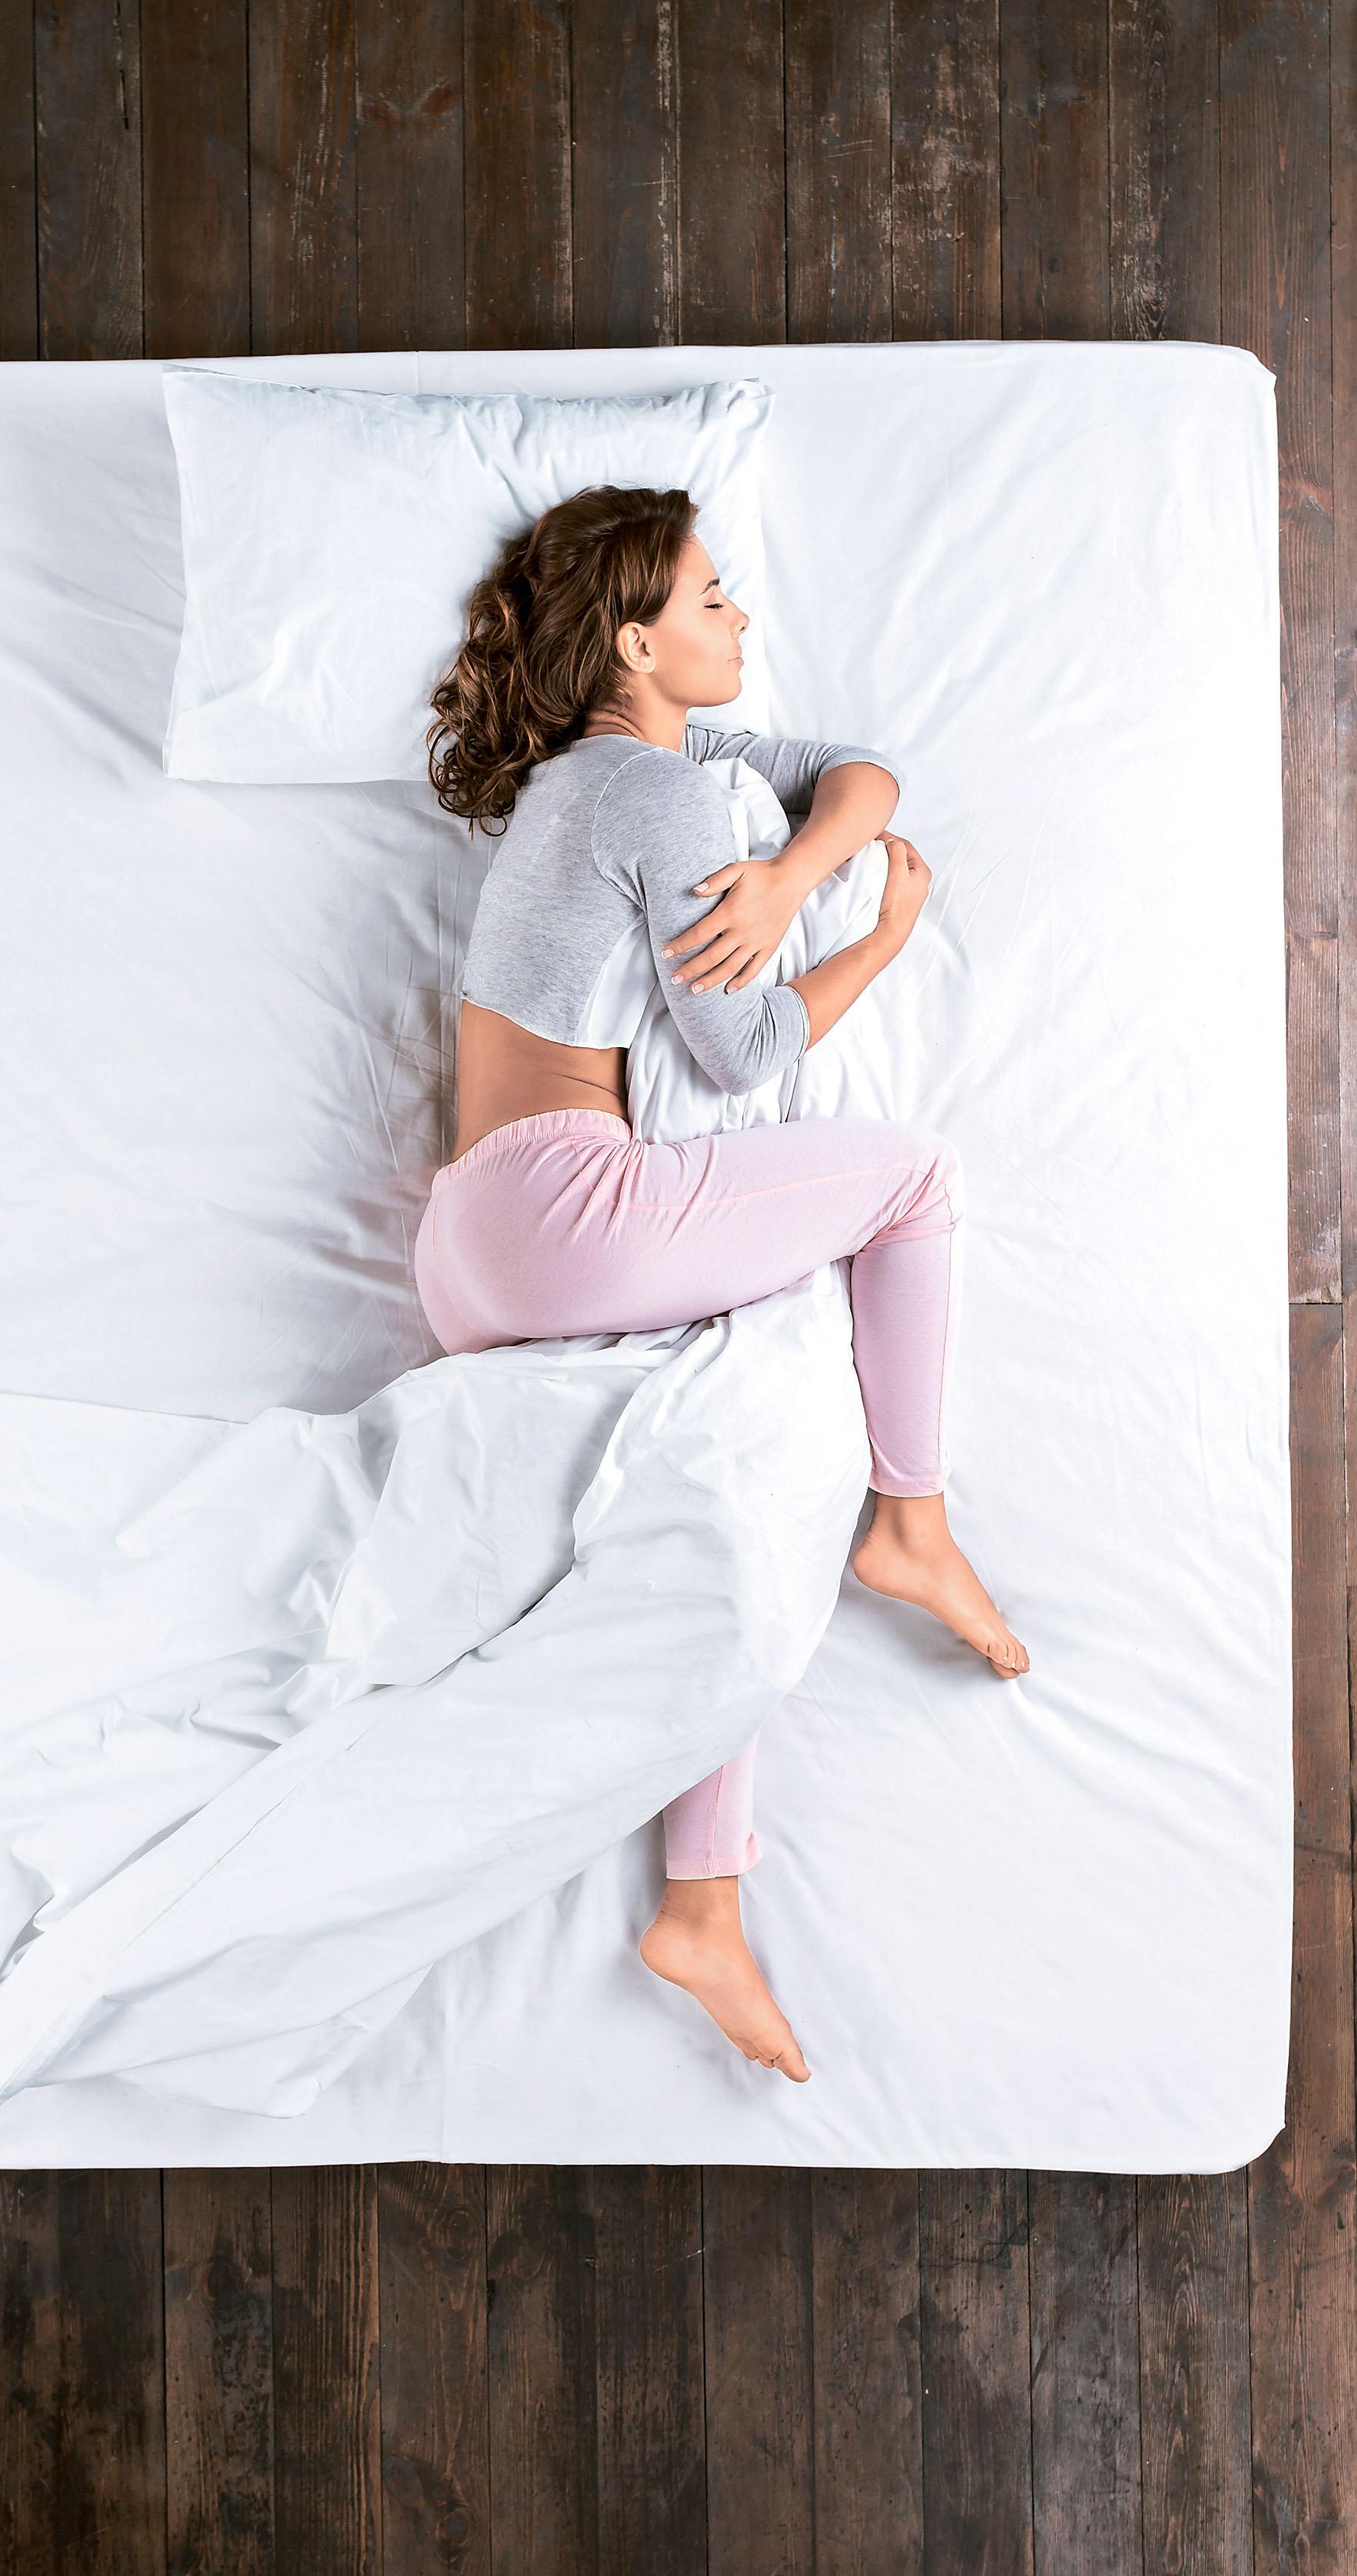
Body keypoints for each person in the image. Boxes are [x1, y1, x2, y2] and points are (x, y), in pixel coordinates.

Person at [412, 483, 1028, 2083]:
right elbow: (743, 1049)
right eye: (707, 597)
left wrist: (794, 870)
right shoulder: (659, 799)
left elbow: (863, 770)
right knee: (914, 1179)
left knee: (728, 1471)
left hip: (469, 1245)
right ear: (635, 644)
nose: (739, 614)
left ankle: (701, 1905)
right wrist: (877, 931)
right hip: (565, 1208)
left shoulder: (622, 774)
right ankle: (911, 1518)